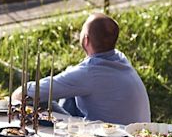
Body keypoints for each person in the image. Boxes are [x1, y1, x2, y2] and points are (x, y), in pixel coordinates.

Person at [12, 13, 150, 125]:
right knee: (70, 92)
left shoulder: (89, 73)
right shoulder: (120, 58)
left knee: (39, 99)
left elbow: (28, 92)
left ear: (86, 40)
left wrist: (16, 97)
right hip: (135, 135)